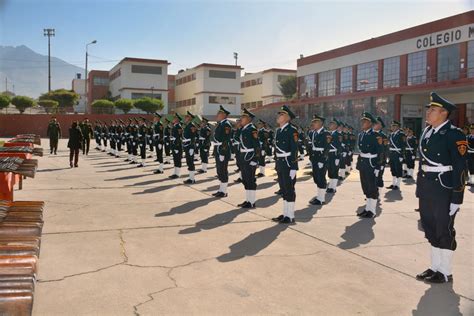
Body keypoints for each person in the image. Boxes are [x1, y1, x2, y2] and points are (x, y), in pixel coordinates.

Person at [415, 92, 467, 284]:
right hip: (427, 188)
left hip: (444, 189)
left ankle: (445, 271)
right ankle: (434, 267)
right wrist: (419, 189)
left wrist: (457, 198)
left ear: (444, 113)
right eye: (429, 109)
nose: (428, 113)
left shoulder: (454, 134)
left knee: (444, 230)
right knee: (430, 228)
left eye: (433, 110)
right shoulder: (427, 132)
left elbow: (461, 168)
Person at [271, 105, 299, 224]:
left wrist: (294, 167)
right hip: (280, 163)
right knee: (283, 189)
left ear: (287, 117)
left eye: (281, 114)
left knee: (289, 189)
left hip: (288, 163)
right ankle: (285, 213)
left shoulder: (292, 130)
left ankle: (290, 215)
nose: (278, 116)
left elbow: (294, 149)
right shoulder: (278, 131)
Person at [356, 112, 384, 218]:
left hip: (371, 164)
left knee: (372, 187)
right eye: (362, 121)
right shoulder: (361, 134)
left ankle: (372, 211)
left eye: (365, 121)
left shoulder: (376, 136)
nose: (362, 123)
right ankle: (367, 208)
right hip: (363, 163)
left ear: (371, 123)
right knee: (365, 187)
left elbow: (380, 151)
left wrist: (378, 166)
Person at [237, 108, 260, 208]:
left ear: (249, 119)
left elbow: (257, 145)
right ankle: (248, 200)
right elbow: (236, 138)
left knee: (250, 179)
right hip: (243, 156)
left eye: (243, 117)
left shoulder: (252, 129)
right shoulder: (244, 128)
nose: (241, 119)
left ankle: (252, 201)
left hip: (250, 156)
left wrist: (255, 159)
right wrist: (238, 128)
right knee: (245, 179)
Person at [308, 114, 330, 205]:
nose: (313, 124)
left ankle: (321, 199)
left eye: (315, 122)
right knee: (316, 177)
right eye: (313, 122)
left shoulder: (326, 133)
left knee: (321, 177)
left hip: (321, 158)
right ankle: (318, 196)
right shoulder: (313, 133)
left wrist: (323, 160)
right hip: (315, 157)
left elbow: (327, 148)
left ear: (321, 123)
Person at [212, 105, 232, 198]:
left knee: (223, 170)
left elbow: (226, 140)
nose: (217, 115)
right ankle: (221, 189)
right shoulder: (220, 124)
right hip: (218, 149)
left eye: (219, 113)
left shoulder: (226, 124)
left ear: (224, 115)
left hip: (222, 150)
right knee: (219, 170)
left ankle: (224, 191)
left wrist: (223, 153)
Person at [386, 121, 406, 190]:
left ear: (398, 127)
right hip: (392, 154)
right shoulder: (391, 135)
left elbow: (403, 145)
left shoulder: (401, 134)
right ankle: (393, 183)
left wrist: (401, 155)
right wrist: (388, 155)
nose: (393, 127)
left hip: (398, 154)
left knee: (398, 169)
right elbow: (389, 146)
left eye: (394, 126)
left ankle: (397, 185)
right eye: (392, 126)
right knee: (393, 169)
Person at [326, 118, 342, 193]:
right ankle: (330, 186)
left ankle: (333, 187)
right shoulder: (329, 134)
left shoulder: (338, 135)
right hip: (329, 154)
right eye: (330, 124)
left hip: (334, 155)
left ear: (336, 126)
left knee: (335, 171)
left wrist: (337, 158)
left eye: (332, 124)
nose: (330, 125)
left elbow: (339, 147)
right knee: (330, 171)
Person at [183, 111, 198, 184]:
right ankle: (190, 178)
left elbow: (193, 137)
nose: (185, 118)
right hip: (187, 146)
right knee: (188, 162)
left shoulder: (192, 125)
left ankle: (192, 179)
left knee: (191, 162)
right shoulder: (187, 125)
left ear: (190, 118)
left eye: (187, 117)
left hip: (190, 146)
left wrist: (192, 147)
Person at [373, 117, 388, 188]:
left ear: (381, 126)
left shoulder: (383, 136)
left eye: (377, 123)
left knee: (379, 178)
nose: (374, 124)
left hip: (380, 160)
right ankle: (372, 195)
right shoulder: (371, 134)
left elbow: (385, 150)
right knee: (371, 178)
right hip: (371, 159)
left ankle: (378, 195)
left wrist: (383, 162)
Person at [169, 113, 184, 179]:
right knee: (175, 159)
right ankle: (175, 173)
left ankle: (177, 174)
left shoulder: (179, 126)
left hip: (177, 146)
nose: (173, 119)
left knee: (178, 159)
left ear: (177, 119)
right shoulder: (175, 126)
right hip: (174, 145)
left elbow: (179, 137)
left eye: (175, 118)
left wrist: (176, 145)